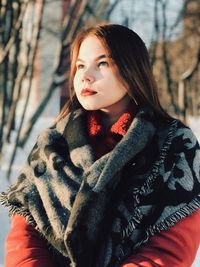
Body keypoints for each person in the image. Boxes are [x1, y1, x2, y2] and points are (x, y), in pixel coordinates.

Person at [1, 23, 200, 267]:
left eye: (102, 63)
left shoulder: (174, 144)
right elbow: (25, 237)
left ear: (132, 70)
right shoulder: (53, 143)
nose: (85, 75)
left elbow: (170, 248)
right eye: (81, 66)